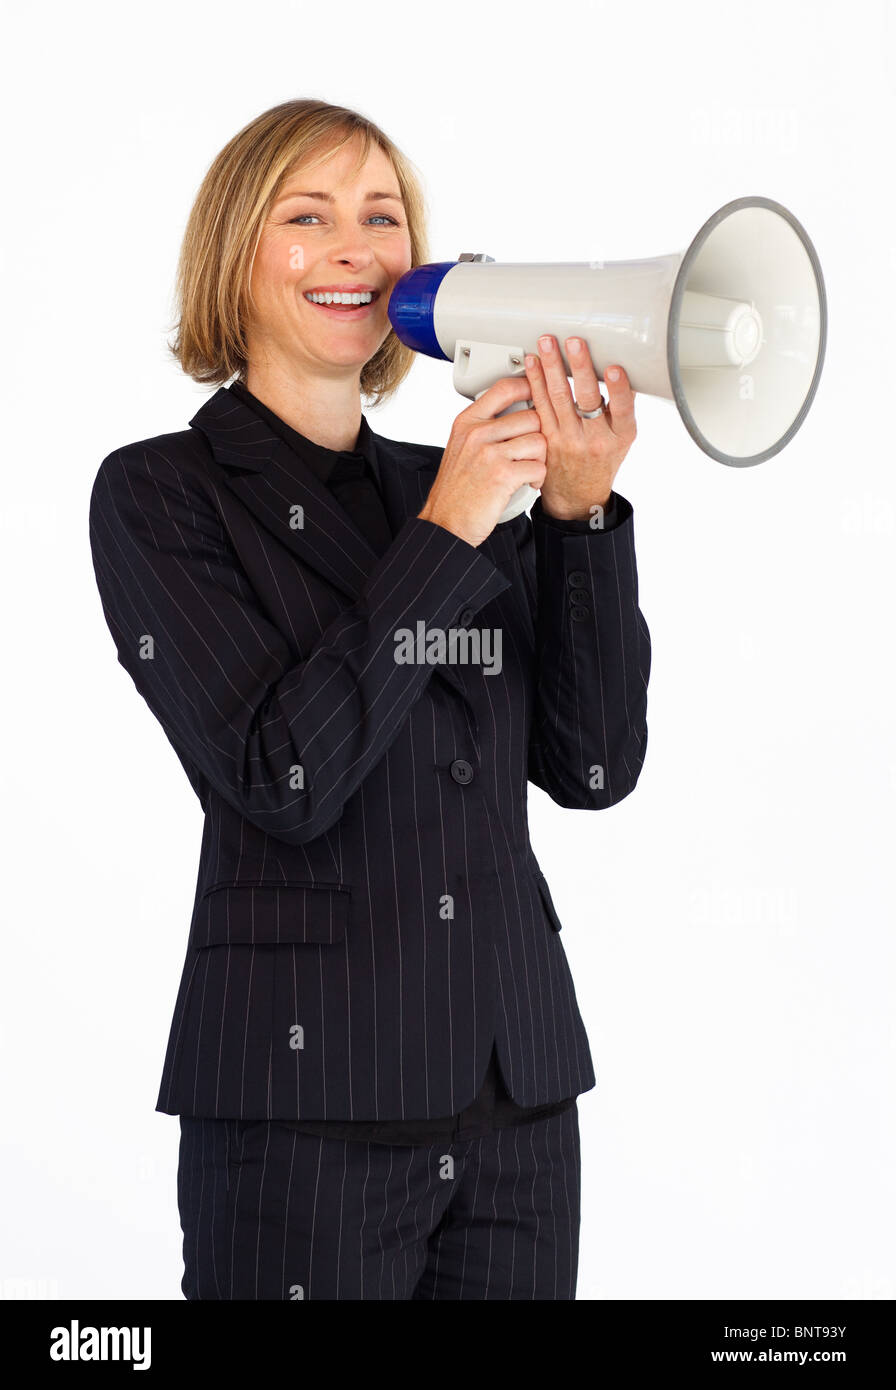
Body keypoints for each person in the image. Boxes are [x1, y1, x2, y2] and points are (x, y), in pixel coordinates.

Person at [88, 98, 651, 1300]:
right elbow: (278, 776)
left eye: (382, 217)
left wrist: (578, 513)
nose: (356, 248)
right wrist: (452, 526)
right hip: (306, 1113)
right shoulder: (161, 495)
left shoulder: (441, 485)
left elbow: (592, 764)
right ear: (234, 256)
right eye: (309, 216)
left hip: (515, 1100)